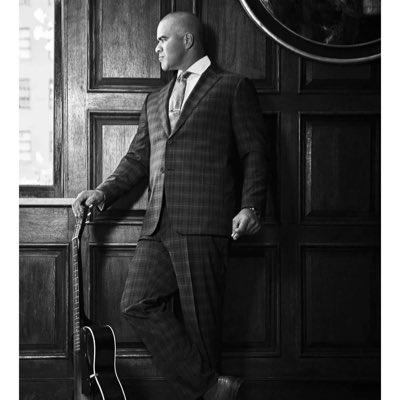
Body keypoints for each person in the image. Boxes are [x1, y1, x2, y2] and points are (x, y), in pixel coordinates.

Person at [72, 11, 268, 400]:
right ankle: (211, 388)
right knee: (135, 302)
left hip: (205, 222)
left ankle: (208, 389)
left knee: (202, 328)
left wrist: (251, 206)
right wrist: (103, 192)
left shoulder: (232, 87)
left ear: (187, 40)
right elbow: (136, 159)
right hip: (156, 224)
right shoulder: (155, 99)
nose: (157, 48)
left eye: (163, 40)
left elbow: (254, 152)